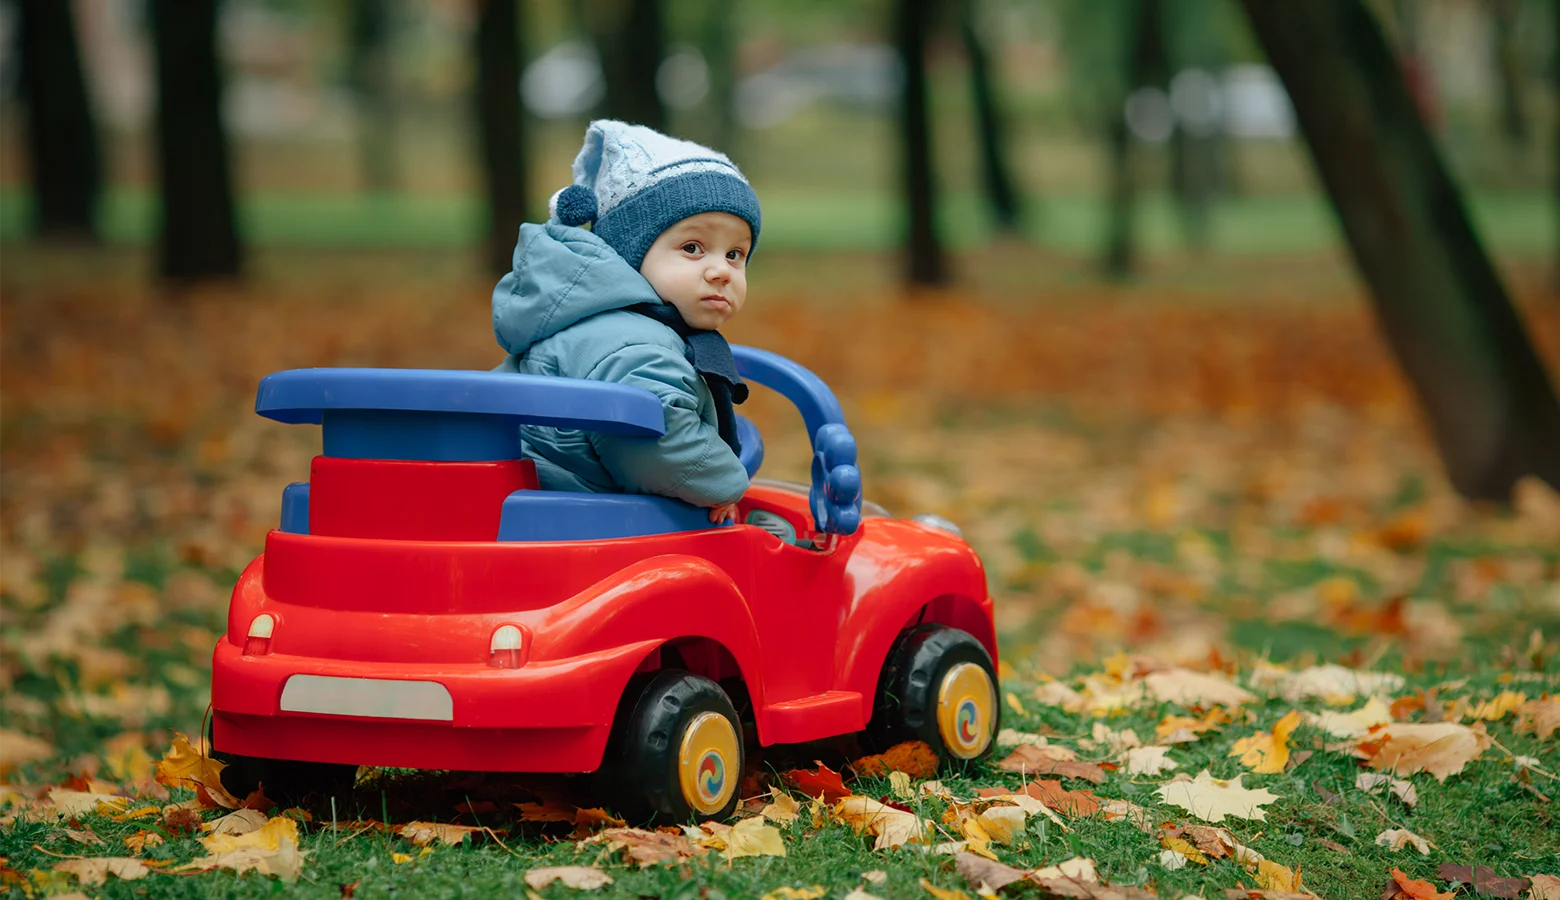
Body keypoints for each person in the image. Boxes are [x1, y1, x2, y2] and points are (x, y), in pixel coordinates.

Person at [491, 120, 759, 523]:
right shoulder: (635, 346)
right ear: (630, 253)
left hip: (543, 507)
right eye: (692, 247)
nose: (721, 270)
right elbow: (652, 443)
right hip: (577, 528)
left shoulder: (602, 322)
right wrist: (725, 482)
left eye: (735, 254)